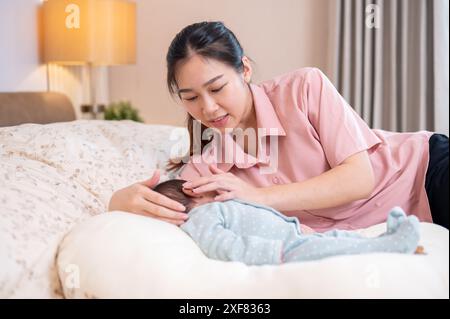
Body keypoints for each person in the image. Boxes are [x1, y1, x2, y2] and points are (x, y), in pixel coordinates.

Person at [108, 21, 449, 232]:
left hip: (422, 170)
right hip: (397, 222)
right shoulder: (206, 168)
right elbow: (177, 216)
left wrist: (258, 197)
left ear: (244, 70)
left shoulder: (304, 88)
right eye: (191, 97)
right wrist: (118, 204)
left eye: (216, 88)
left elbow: (360, 178)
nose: (208, 108)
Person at [153, 179, 423, 265]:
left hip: (292, 236)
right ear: (192, 193)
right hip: (281, 249)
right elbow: (223, 245)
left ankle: (384, 240)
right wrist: (270, 253)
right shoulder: (201, 216)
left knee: (335, 241)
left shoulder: (218, 208)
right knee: (336, 250)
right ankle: (392, 246)